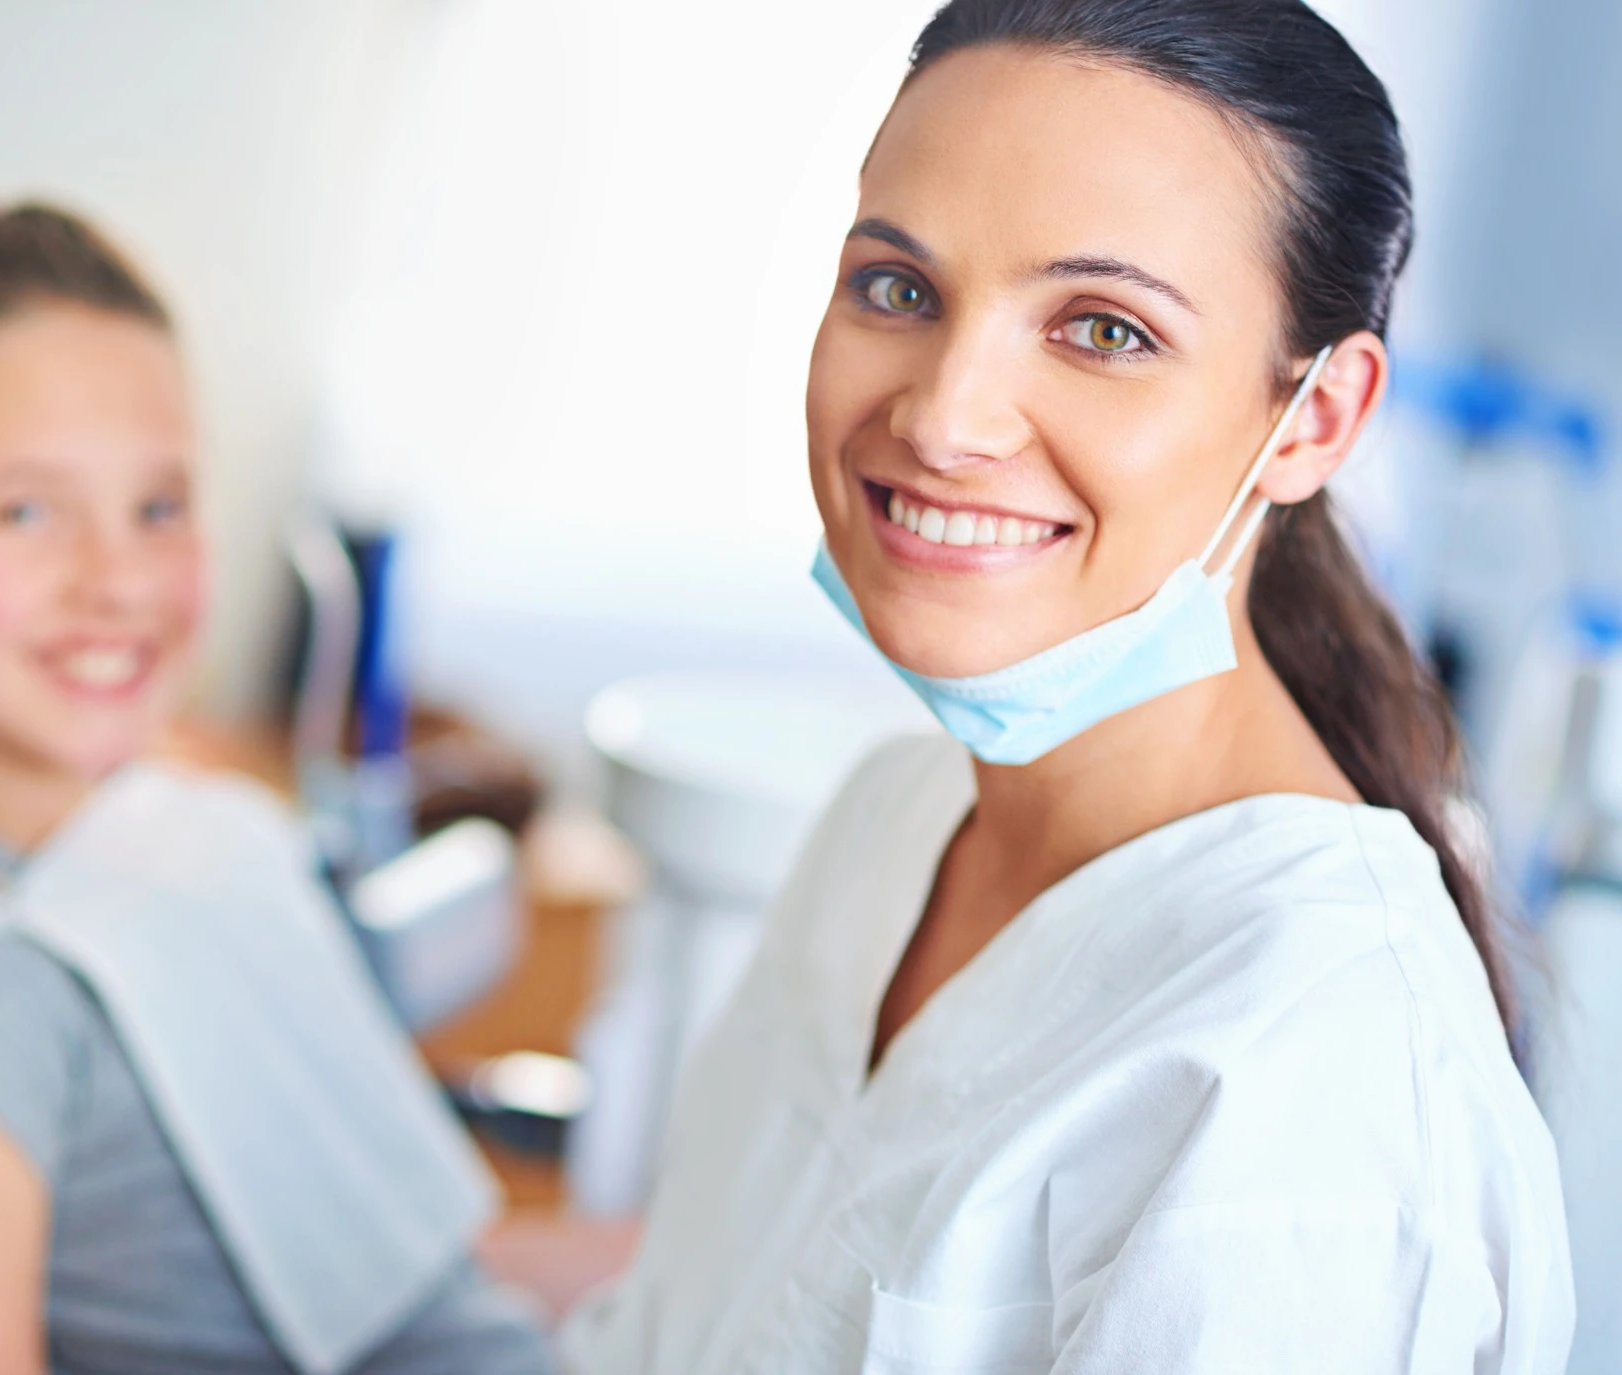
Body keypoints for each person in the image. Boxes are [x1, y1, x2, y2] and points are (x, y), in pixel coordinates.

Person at [560, 1, 1575, 1370]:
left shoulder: (1314, 1100)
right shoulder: (892, 816)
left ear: (1316, 418)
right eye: (899, 287)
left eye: (1103, 329)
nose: (941, 415)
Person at [0, 204, 551, 1375]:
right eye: (27, 511)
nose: (120, 579)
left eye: (159, 506)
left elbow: (429, 1294)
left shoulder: (187, 824)